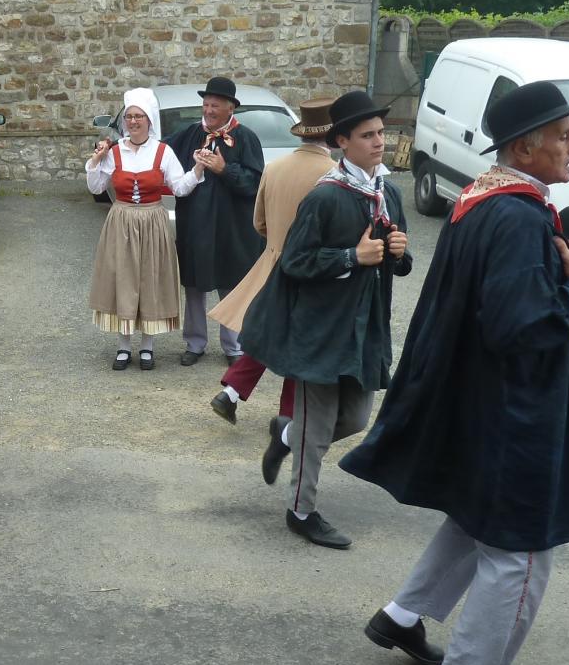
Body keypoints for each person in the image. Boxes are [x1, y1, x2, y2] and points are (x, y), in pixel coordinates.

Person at [340, 81, 569, 665]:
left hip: (482, 399)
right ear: (525, 146)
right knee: (521, 546)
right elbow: (520, 328)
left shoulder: (484, 201)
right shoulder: (515, 217)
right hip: (516, 410)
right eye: (565, 137)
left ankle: (402, 616)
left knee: (476, 518)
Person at [240, 91, 412, 549]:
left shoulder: (387, 192)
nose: (379, 142)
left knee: (355, 418)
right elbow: (295, 261)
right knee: (318, 430)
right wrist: (352, 256)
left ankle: (285, 432)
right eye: (368, 135)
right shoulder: (326, 197)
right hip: (320, 327)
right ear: (342, 141)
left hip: (364, 326)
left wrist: (398, 255)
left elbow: (392, 261)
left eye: (381, 132)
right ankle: (302, 510)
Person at [208, 98, 336, 434]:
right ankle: (287, 417)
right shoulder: (333, 175)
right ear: (335, 135)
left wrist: (277, 242)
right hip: (310, 270)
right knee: (300, 342)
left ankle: (231, 392)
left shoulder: (275, 167)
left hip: (274, 261)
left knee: (272, 333)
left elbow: (259, 223)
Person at [86, 87, 200, 370]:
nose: (133, 121)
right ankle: (124, 346)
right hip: (121, 220)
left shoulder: (163, 151)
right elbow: (96, 187)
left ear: (149, 120)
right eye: (129, 116)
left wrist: (197, 170)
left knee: (150, 279)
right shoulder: (114, 152)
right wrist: (96, 162)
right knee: (123, 280)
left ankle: (147, 346)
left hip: (152, 220)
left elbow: (180, 188)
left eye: (139, 116)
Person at [167, 76, 265, 365]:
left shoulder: (246, 138)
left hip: (232, 225)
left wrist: (225, 169)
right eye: (206, 104)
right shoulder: (188, 134)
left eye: (215, 105)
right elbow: (156, 153)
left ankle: (234, 346)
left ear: (231, 108)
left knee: (231, 283)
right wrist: (118, 147)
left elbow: (255, 184)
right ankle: (195, 343)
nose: (208, 110)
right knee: (194, 284)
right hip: (195, 222)